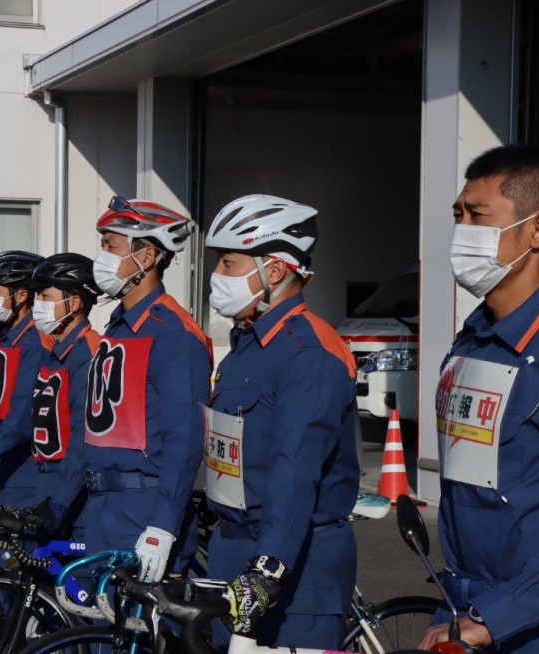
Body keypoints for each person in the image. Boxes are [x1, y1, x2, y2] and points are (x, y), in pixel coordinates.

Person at [419, 145, 539, 653]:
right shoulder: (474, 337)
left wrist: (497, 616)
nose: (461, 232)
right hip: (462, 613)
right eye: (458, 215)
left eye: (477, 217)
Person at [200, 194, 359, 649]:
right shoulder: (249, 344)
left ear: (272, 271)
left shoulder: (309, 352)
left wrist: (267, 571)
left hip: (292, 570)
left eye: (228, 264)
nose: (217, 276)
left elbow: (294, 469)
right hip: (233, 553)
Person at [84, 196, 212, 583]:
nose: (102, 256)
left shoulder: (173, 333)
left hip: (143, 508)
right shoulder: (119, 325)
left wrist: (163, 526)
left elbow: (186, 437)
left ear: (148, 256)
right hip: (102, 505)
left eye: (111, 245)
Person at [0, 251, 53, 507]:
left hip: (18, 463)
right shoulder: (7, 336)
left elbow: (23, 414)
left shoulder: (34, 343)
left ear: (22, 295)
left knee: (14, 545)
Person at [27, 253, 102, 537]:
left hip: (74, 494)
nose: (38, 306)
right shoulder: (56, 351)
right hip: (47, 480)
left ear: (74, 303)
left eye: (46, 297)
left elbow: (85, 434)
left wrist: (59, 500)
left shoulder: (87, 352)